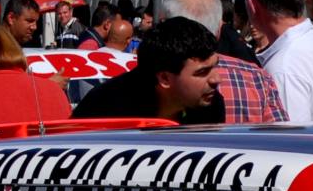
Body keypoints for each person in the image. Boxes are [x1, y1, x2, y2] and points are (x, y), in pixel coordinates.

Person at [160, 0, 286, 124]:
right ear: (220, 29)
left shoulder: (150, 77)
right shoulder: (257, 78)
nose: (214, 79)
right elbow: (280, 136)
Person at [73, 16, 223, 123]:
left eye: (214, 66)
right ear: (164, 78)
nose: (216, 79)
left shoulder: (211, 106)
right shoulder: (104, 111)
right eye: (202, 72)